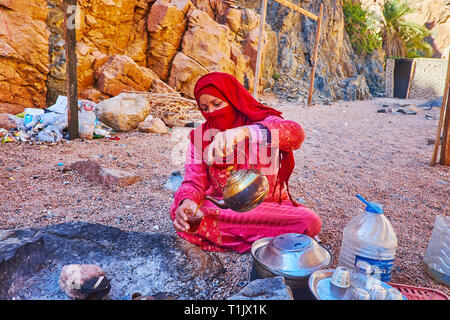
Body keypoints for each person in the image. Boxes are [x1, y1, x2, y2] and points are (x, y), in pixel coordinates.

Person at [169, 72, 321, 253]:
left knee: (309, 221)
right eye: (204, 108)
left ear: (232, 99)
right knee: (182, 213)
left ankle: (244, 237)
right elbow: (194, 181)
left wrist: (244, 132)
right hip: (227, 208)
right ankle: (276, 242)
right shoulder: (200, 137)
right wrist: (188, 202)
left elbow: (295, 134)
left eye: (217, 104)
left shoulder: (261, 123)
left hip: (269, 207)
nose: (211, 113)